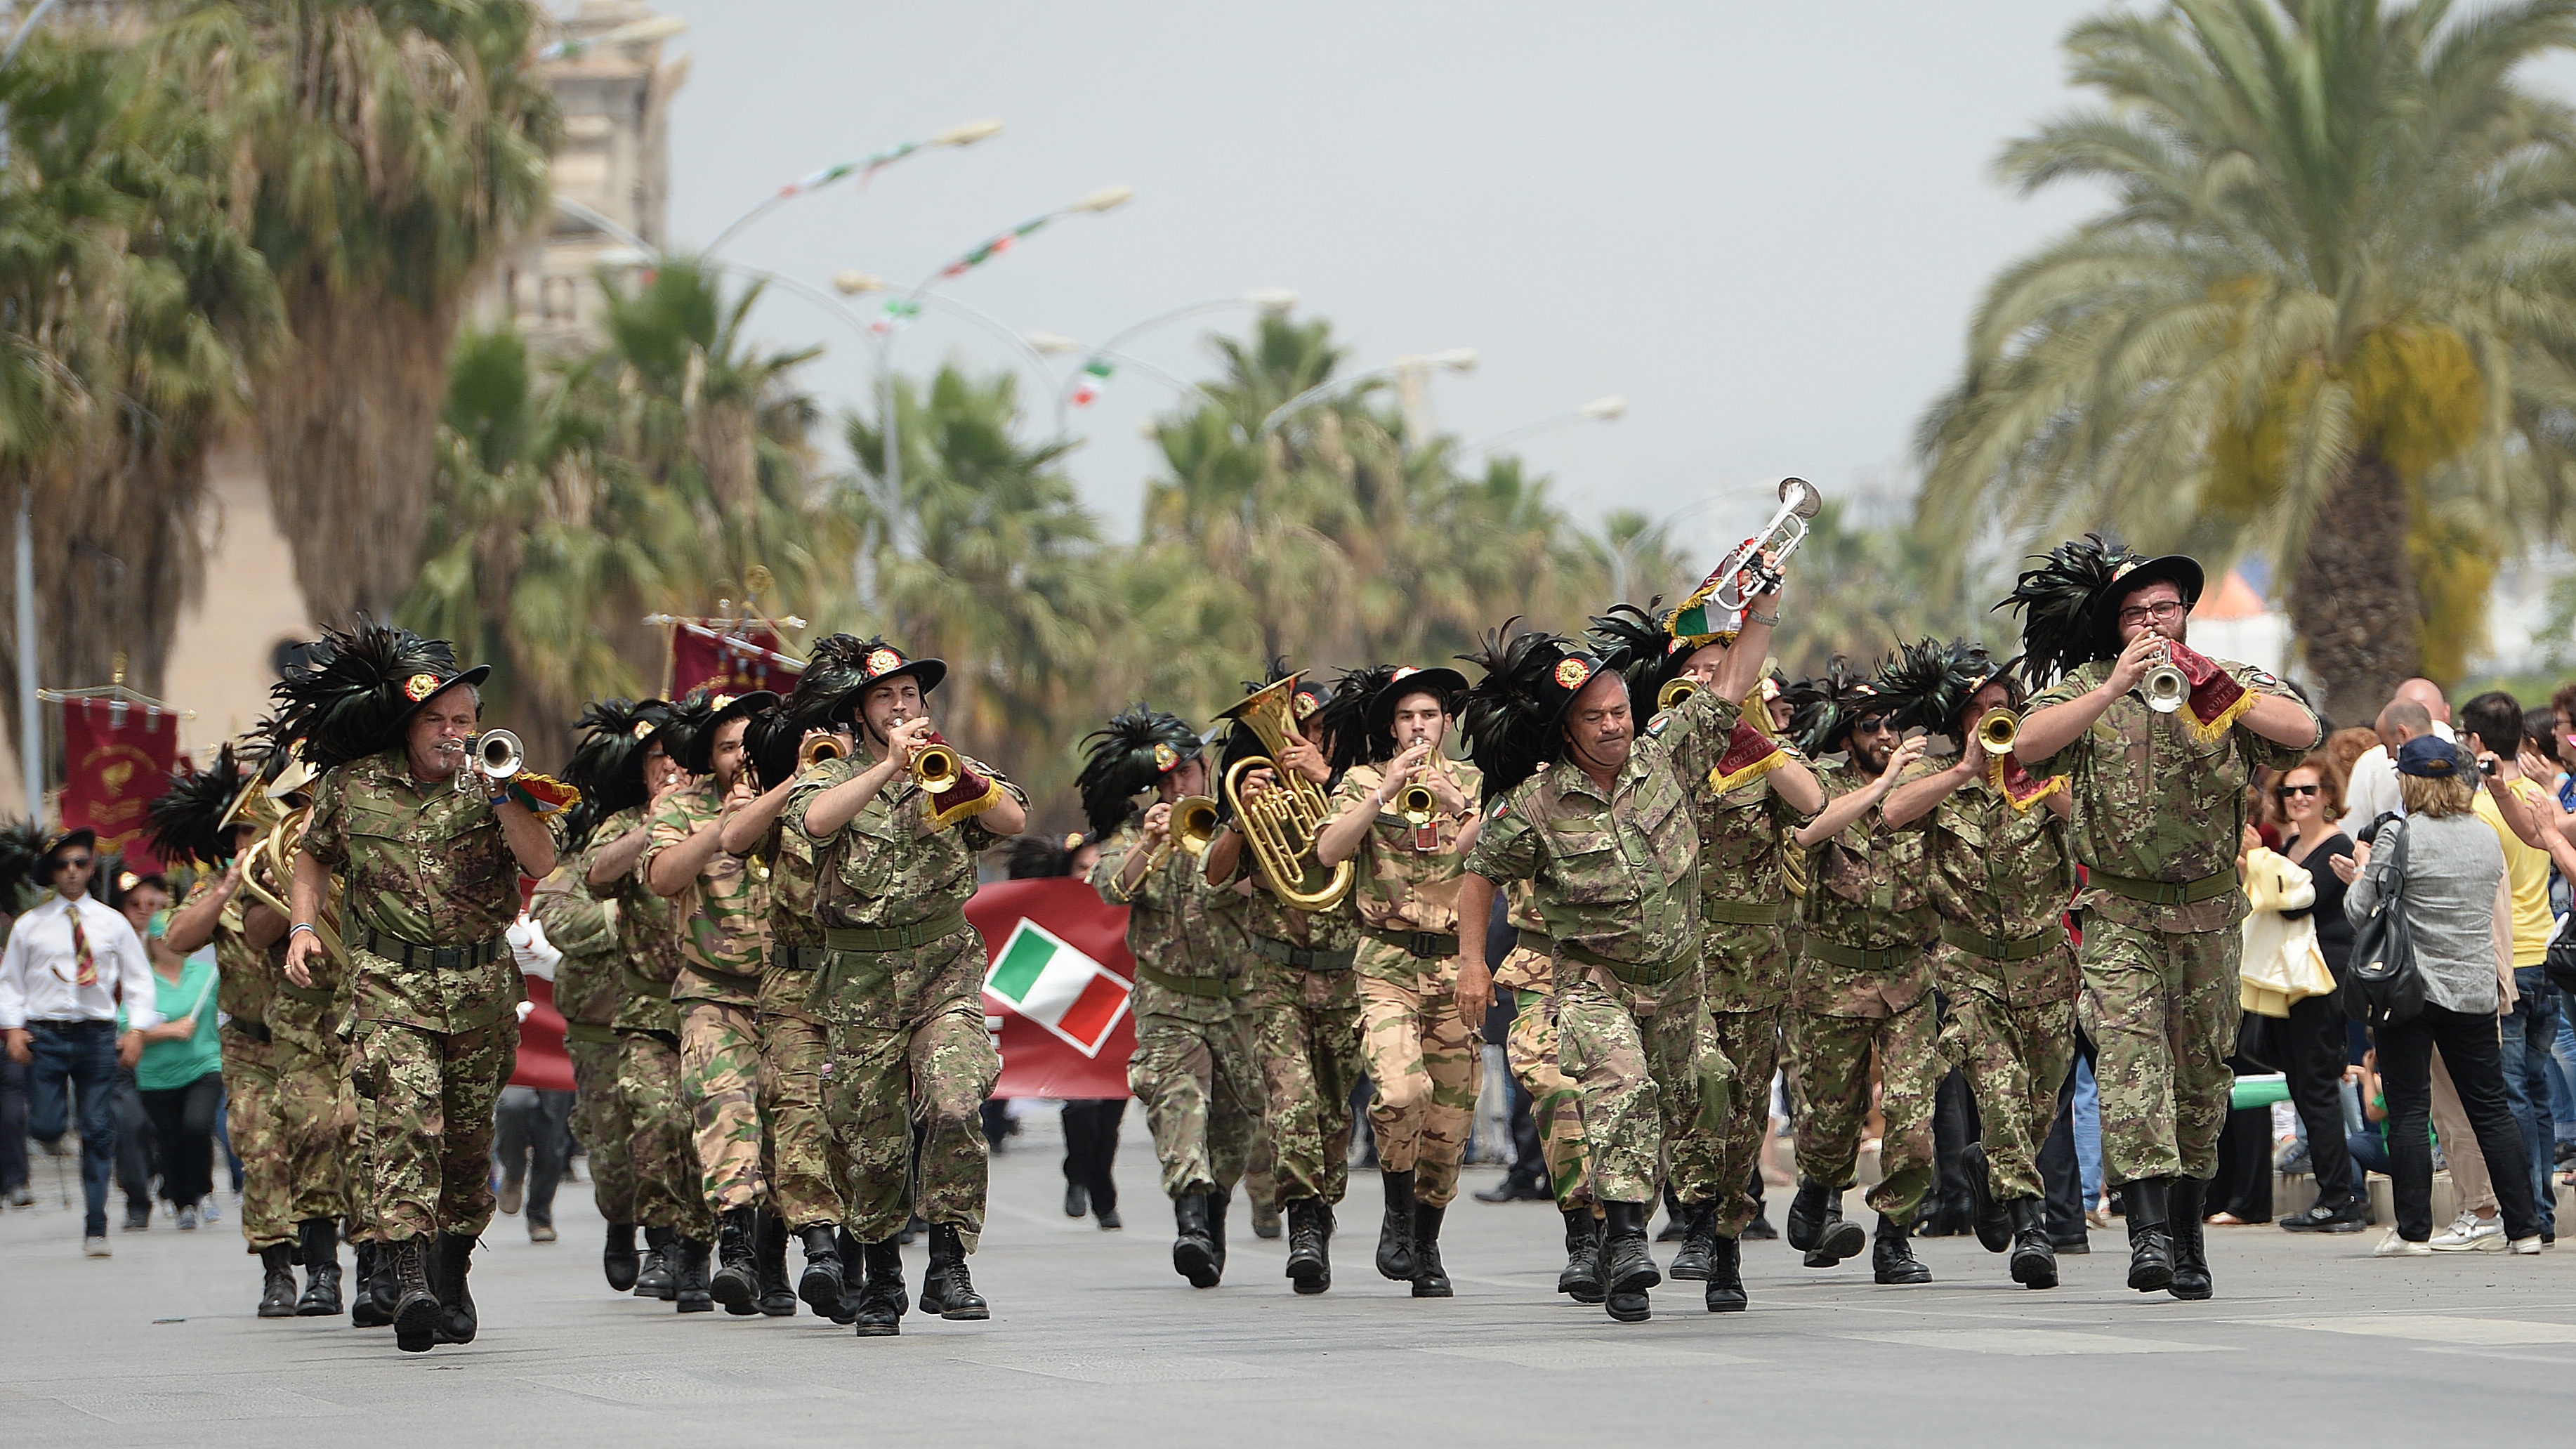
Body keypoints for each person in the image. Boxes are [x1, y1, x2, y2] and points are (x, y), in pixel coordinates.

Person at [2004, 536, 2322, 1303]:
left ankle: (2186, 1233)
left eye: (2164, 607)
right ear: (2114, 627)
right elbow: (2026, 745)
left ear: (2185, 614)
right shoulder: (2089, 685)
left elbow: (2305, 731)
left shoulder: (2225, 679)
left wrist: (2220, 690)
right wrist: (2114, 685)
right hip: (2120, 913)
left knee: (2201, 1078)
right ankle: (2145, 1229)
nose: (2151, 621)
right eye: (2135, 613)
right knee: (2127, 1059)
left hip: (2209, 916)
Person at [1456, 575, 1781, 1323]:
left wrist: (1762, 608)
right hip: (1595, 982)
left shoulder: (1666, 756)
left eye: (1618, 711)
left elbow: (1731, 682)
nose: (1612, 726)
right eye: (1594, 717)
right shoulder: (1535, 805)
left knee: (1704, 1090)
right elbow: (1478, 873)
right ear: (1565, 729)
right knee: (1622, 1087)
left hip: (1680, 982)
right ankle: (1628, 1239)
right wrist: (1472, 961)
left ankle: (1680, 1224)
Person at [279, 620, 563, 1353]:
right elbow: (312, 856)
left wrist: (503, 795)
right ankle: (407, 1274)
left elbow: (542, 863)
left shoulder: (504, 782)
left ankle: (452, 1264)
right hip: (389, 984)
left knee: (466, 1145)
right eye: (435, 719)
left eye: (462, 720)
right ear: (408, 726)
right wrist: (303, 926)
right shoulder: (353, 785)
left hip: (478, 987)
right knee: (404, 1122)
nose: (450, 732)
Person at [787, 636, 1025, 1337]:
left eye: (910, 695)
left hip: (942, 970)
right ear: (859, 712)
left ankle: (949, 1261)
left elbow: (1011, 819)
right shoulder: (831, 775)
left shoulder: (949, 769)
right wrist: (887, 766)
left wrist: (953, 776)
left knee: (954, 1099)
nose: (900, 706)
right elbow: (814, 822)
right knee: (871, 1133)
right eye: (885, 696)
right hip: (859, 982)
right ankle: (882, 1272)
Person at [1587, 597, 1821, 1310]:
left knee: (1740, 1104)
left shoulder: (1760, 750)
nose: (1707, 681)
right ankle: (1647, 1228)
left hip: (1750, 961)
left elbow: (1810, 800)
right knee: (1669, 1093)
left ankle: (1722, 1242)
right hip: (1673, 955)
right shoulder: (1654, 756)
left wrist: (1751, 738)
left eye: (1721, 670)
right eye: (1696, 672)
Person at [1877, 641, 2081, 1288]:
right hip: (1970, 970)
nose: (1994, 716)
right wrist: (1966, 769)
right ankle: (2031, 1229)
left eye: (2002, 705)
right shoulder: (1940, 778)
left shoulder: (2046, 770)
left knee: (2040, 1100)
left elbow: (2091, 826)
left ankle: (1993, 1171)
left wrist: (2032, 776)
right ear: (1957, 721)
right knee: (2000, 1091)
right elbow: (1892, 812)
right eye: (1979, 709)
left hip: (2045, 964)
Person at [155, 744, 351, 1314]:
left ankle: (345, 1259)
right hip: (251, 1045)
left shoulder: (306, 873)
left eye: (257, 826)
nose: (251, 838)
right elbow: (178, 938)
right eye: (242, 830)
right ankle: (277, 1271)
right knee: (262, 1152)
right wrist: (228, 887)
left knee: (334, 1138)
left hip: (315, 1034)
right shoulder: (226, 887)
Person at [1315, 664, 1487, 1297]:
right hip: (1386, 963)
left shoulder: (1475, 782)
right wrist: (1382, 793)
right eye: (1407, 716)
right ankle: (1395, 1209)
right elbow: (1328, 851)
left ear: (1447, 722)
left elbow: (1491, 850)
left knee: (1451, 1117)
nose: (1419, 726)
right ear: (1391, 726)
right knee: (1402, 1089)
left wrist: (1455, 802)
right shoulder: (1363, 781)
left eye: (1429, 715)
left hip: (1454, 965)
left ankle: (1427, 1241)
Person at [2334, 736, 2544, 1255]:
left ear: (2408, 781)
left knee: (2409, 1109)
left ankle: (2414, 1231)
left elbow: (2359, 910)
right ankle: (2524, 1228)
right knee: (2490, 1108)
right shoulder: (2484, 834)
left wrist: (2362, 868)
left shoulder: (2398, 833)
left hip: (2409, 991)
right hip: (2473, 989)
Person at [1775, 658, 1939, 1285]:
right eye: (1871, 726)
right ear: (1847, 737)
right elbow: (1808, 833)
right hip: (1831, 983)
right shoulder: (1820, 782)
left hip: (1907, 980)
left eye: (1894, 724)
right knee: (1828, 1119)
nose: (1886, 736)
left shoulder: (1925, 785)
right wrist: (1884, 782)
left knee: (1912, 1116)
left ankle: (1894, 1236)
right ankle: (1819, 1191)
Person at [1081, 707, 1257, 1288]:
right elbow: (1111, 888)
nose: (1177, 786)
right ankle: (1190, 1221)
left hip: (1237, 1001)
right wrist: (1152, 843)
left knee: (1236, 1125)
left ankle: (1213, 1212)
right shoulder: (1136, 832)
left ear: (1206, 769)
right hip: (1167, 1000)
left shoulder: (1239, 823)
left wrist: (1236, 829)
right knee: (1177, 1103)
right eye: (1166, 779)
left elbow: (1266, 887)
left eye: (1186, 773)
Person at [1204, 671, 1362, 1296]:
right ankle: (1303, 1224)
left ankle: (1321, 1208)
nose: (1307, 740)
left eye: (1319, 729)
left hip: (1346, 974)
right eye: (1300, 729)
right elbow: (1215, 874)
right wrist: (1241, 818)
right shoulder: (1261, 792)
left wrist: (1330, 781)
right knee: (1290, 1097)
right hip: (1276, 975)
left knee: (1334, 1111)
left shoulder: (1360, 786)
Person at [645, 686, 782, 1315]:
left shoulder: (798, 794)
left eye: (748, 743)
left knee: (790, 1128)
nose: (740, 756)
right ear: (710, 756)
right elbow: (662, 876)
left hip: (792, 994)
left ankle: (779, 1257)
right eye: (727, 746)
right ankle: (736, 1246)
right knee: (727, 1112)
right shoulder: (682, 807)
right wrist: (718, 829)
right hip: (712, 992)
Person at [572, 699, 713, 1309]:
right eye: (658, 759)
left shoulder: (719, 813)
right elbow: (596, 874)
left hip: (717, 1007)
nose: (671, 768)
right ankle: (661, 1241)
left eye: (680, 757)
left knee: (708, 1128)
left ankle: (703, 1248)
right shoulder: (626, 821)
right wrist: (652, 828)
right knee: (655, 1121)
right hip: (646, 1013)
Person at [723, 700, 859, 1317]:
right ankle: (819, 1248)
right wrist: (800, 776)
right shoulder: (786, 800)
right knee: (798, 1111)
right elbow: (735, 838)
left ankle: (852, 1254)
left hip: (862, 985)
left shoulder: (879, 791)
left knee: (856, 1124)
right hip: (795, 987)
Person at [0, 826, 157, 1255]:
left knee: (98, 1129)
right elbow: (10, 982)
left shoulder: (112, 923)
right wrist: (13, 1028)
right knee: (46, 1125)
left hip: (96, 1035)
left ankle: (96, 1224)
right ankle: (51, 1134)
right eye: (63, 864)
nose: (71, 871)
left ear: (90, 867)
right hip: (45, 1034)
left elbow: (139, 980)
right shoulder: (31, 926)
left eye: (80, 862)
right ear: (52, 872)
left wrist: (137, 1030)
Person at [2457, 690, 2571, 1243]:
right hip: (2546, 951)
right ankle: (2540, 1211)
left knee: (2512, 1094)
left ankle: (2525, 1212)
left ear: (2477, 741)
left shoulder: (2481, 807)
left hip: (2504, 962)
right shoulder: (2543, 798)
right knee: (2538, 1089)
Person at [1007, 834, 1126, 1232]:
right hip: (1070, 1021)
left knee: (1109, 1118)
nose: (1089, 876)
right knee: (1082, 1106)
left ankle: (1100, 1183)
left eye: (1097, 868)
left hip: (1115, 1022)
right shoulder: (1050, 909)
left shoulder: (1124, 904)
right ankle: (1082, 1180)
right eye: (1082, 868)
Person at [2268, 753, 2367, 1232]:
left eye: (2308, 789)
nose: (2298, 798)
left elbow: (2293, 905)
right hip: (2290, 979)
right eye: (2289, 791)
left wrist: (2255, 864)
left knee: (2319, 1086)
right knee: (2302, 1085)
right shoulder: (2290, 845)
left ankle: (2340, 1197)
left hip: (2324, 979)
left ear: (2328, 794)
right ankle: (2334, 1192)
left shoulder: (2337, 846)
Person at [129, 900, 223, 1239]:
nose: (170, 943)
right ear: (152, 942)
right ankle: (183, 1202)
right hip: (157, 1077)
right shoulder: (142, 981)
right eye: (163, 937)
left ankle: (204, 1189)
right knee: (170, 1140)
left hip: (203, 1066)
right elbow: (127, 1029)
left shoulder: (207, 974)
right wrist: (169, 1030)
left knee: (197, 1127)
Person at [2339, 684, 2450, 837]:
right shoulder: (2468, 753)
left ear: (2403, 734)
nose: (2389, 756)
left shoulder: (2371, 762)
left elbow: (2353, 832)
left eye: (2386, 744)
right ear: (2446, 712)